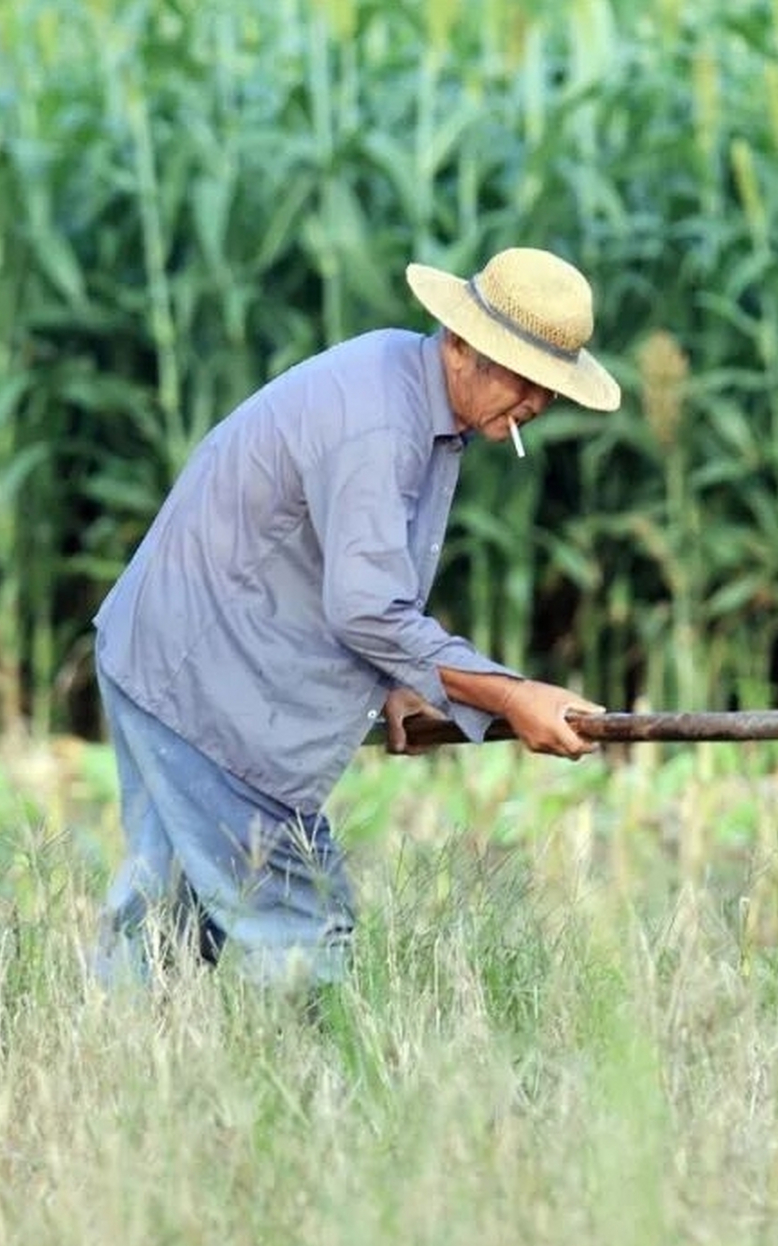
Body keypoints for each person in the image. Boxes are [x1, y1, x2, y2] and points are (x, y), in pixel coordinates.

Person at [86, 246, 622, 994]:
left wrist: (401, 683)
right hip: (206, 679)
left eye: (550, 388)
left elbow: (347, 578)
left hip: (167, 651)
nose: (535, 401)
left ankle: (124, 1077)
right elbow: (368, 606)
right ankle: (315, 1099)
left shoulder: (408, 387)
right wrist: (511, 694)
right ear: (462, 344)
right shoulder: (381, 424)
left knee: (164, 919)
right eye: (522, 376)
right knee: (301, 920)